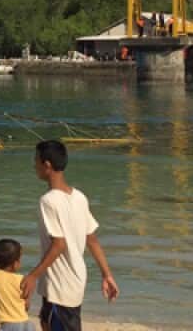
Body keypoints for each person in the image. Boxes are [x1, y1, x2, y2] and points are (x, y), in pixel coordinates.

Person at [20, 140, 119, 331]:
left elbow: (59, 245)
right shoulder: (79, 197)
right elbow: (92, 239)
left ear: (47, 165)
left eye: (36, 161)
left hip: (60, 285)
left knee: (53, 323)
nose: (34, 165)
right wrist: (107, 274)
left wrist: (33, 276)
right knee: (47, 321)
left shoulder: (48, 201)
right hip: (76, 280)